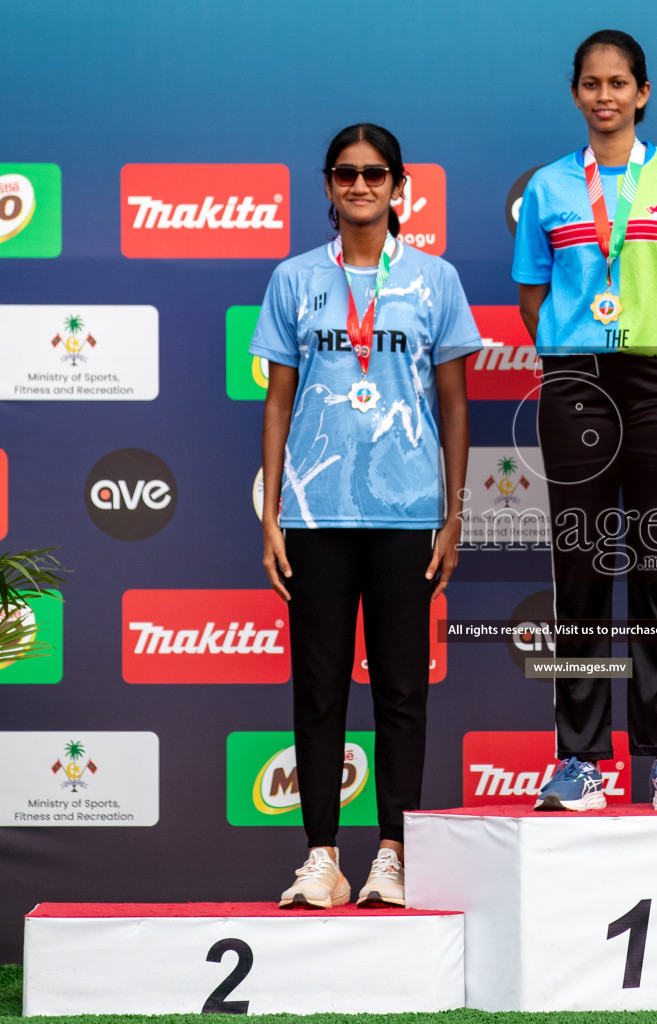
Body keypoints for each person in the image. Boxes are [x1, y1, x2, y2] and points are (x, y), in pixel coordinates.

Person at [254, 123, 482, 909]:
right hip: (315, 515)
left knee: (399, 690)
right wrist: (273, 515)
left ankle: (392, 853)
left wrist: (454, 514)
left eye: (375, 173)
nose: (360, 185)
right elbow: (278, 401)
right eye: (346, 173)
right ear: (327, 184)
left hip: (407, 509)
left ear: (397, 184)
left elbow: (454, 404)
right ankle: (321, 856)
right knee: (317, 688)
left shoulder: (433, 280)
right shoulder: (293, 280)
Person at [512, 29, 657, 812]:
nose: (605, 96)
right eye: (591, 84)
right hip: (576, 380)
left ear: (642, 93)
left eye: (619, 83)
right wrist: (577, 344)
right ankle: (580, 760)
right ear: (576, 94)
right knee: (579, 566)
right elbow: (533, 294)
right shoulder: (547, 186)